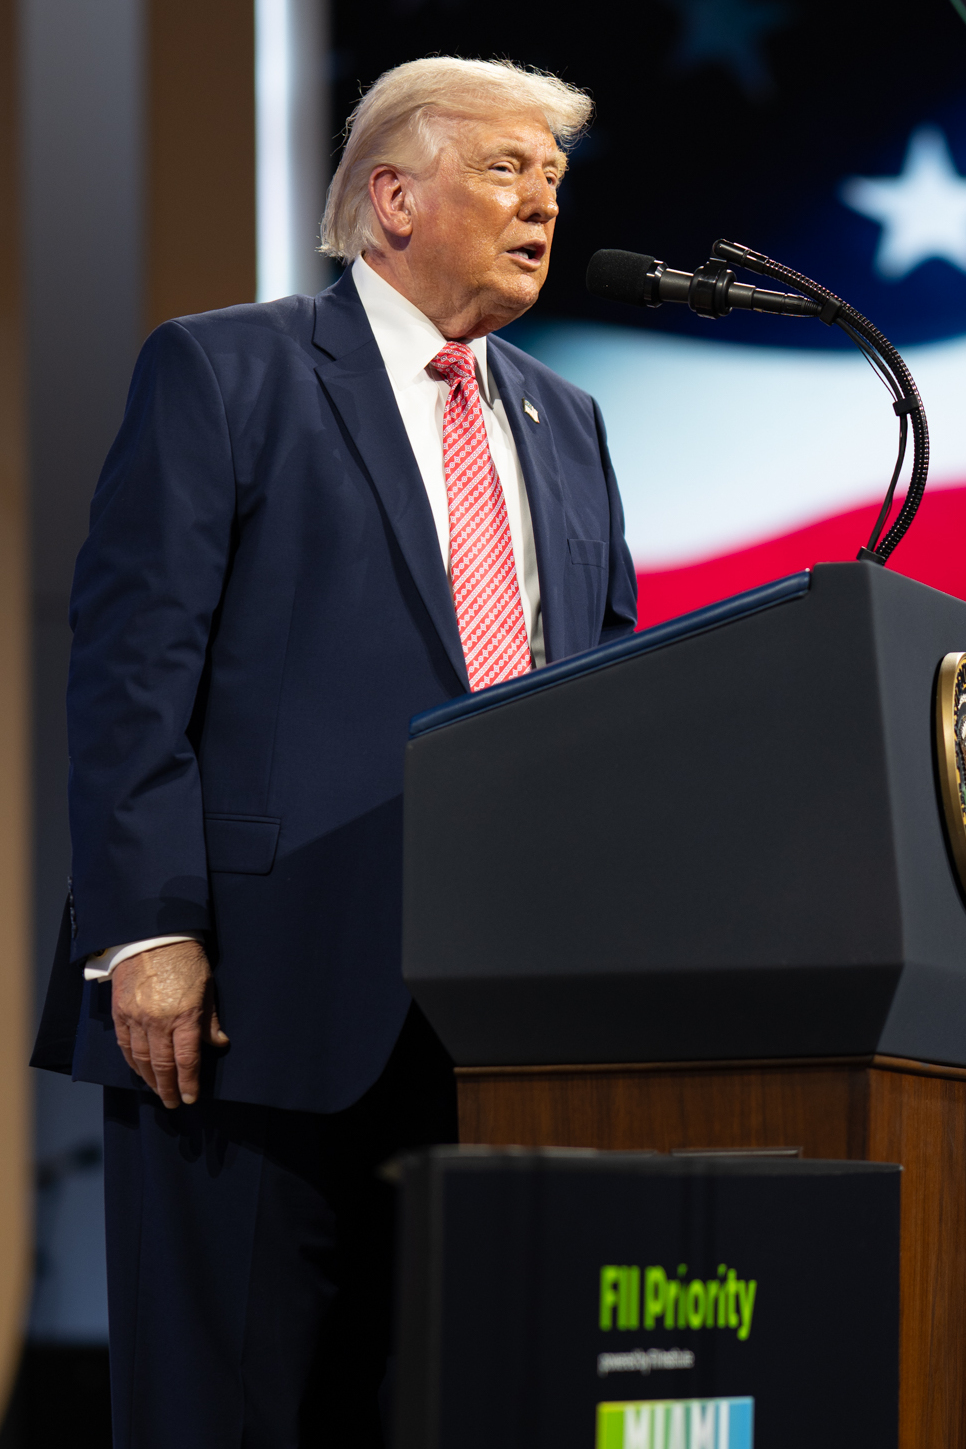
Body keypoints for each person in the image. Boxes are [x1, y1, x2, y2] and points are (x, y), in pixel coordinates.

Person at [32, 56, 637, 1448]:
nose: (543, 201)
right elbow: (131, 669)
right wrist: (148, 935)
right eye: (507, 169)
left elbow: (608, 698)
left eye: (553, 179)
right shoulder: (225, 369)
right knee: (225, 1413)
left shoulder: (569, 423)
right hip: (253, 1007)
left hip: (495, 1024)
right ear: (393, 194)